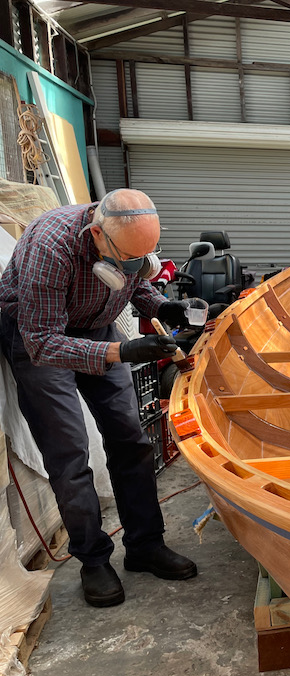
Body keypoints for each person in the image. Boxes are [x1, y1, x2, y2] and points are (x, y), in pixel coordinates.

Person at [0, 189, 206, 608]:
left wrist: (164, 307)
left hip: (96, 326)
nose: (134, 267)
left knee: (131, 439)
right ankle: (93, 560)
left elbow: (130, 286)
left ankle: (145, 545)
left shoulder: (125, 241)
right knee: (69, 453)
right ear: (97, 234)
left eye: (141, 259)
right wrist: (122, 351)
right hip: (38, 336)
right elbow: (41, 343)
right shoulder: (50, 247)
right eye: (127, 260)